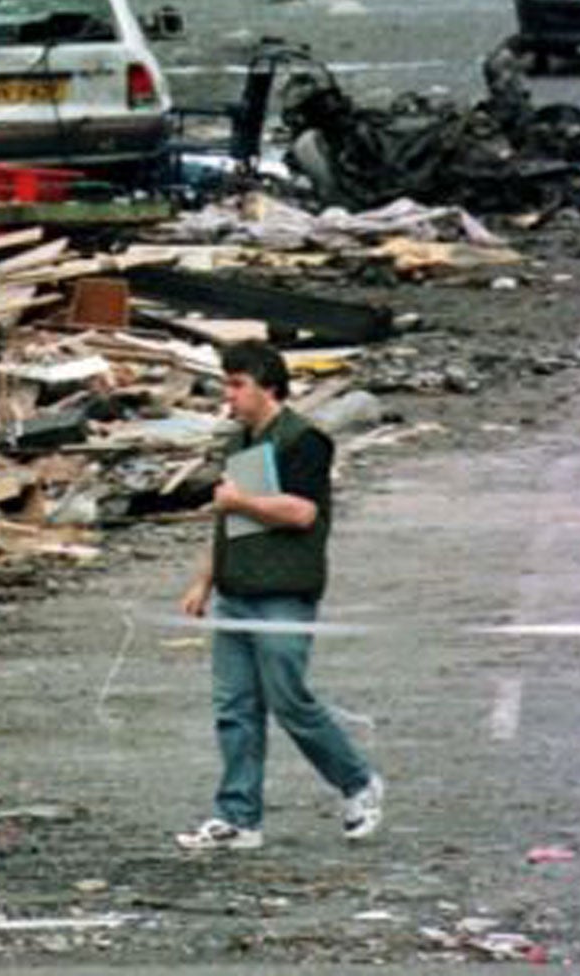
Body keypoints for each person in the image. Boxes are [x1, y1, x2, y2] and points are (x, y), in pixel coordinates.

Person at [176, 342, 383, 854]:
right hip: (238, 592)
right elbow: (233, 523)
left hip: (283, 595)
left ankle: (357, 783)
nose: (229, 395)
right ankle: (238, 816)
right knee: (235, 708)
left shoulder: (304, 441)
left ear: (268, 385)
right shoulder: (243, 442)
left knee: (289, 700)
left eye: (237, 384)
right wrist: (204, 580)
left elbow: (302, 513)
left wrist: (239, 499)